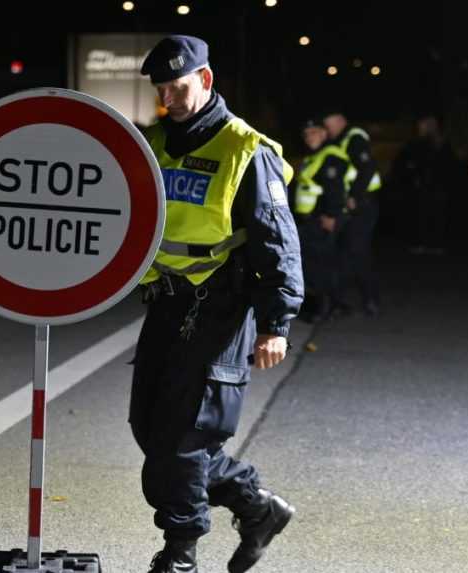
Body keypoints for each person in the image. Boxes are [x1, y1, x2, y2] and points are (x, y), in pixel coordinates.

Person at [131, 35, 304, 573]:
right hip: (166, 302)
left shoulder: (244, 149)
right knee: (148, 427)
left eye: (178, 87)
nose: (169, 99)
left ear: (205, 80)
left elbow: (277, 240)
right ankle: (257, 508)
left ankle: (180, 554)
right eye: (161, 89)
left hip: (221, 303)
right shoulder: (153, 144)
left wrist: (275, 323)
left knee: (183, 439)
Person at [323, 109, 383, 316]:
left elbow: (367, 167)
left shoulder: (354, 137)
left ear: (340, 120)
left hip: (362, 204)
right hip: (353, 205)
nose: (326, 128)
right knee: (351, 251)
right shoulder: (341, 139)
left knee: (357, 252)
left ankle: (370, 299)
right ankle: (346, 300)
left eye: (328, 123)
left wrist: (354, 197)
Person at [293, 119, 348, 322]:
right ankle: (324, 306)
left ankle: (325, 309)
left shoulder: (330, 156)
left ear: (324, 133)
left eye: (314, 132)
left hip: (322, 219)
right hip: (310, 219)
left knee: (321, 266)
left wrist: (331, 215)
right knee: (313, 264)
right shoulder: (314, 156)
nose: (309, 137)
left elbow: (335, 189)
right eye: (306, 134)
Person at [391, 112, 458, 255]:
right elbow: (405, 162)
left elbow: (448, 164)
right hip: (421, 186)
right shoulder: (416, 143)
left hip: (436, 186)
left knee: (435, 214)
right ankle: (421, 242)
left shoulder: (440, 143)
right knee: (420, 214)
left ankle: (434, 243)